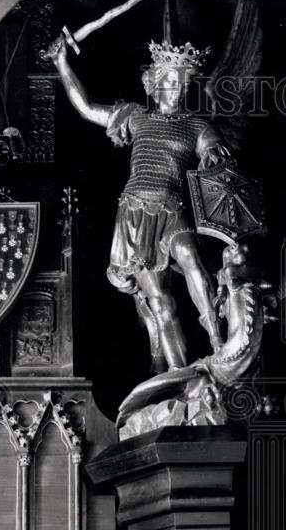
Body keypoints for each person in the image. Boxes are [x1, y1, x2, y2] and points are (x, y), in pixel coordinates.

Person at [47, 34, 228, 374]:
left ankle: (218, 342)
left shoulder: (197, 125)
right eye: (170, 81)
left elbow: (212, 149)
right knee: (161, 304)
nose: (176, 89)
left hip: (172, 208)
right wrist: (61, 63)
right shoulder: (135, 116)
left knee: (189, 255)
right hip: (133, 214)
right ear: (156, 84)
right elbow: (86, 108)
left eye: (182, 83)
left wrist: (214, 155)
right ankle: (178, 376)